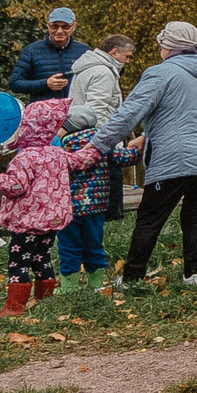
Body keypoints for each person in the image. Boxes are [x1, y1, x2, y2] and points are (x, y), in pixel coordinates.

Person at [95, 21, 197, 291]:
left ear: (168, 47)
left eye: (162, 43)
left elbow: (128, 113)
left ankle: (132, 278)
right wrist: (148, 135)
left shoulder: (160, 73)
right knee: (195, 217)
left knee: (149, 220)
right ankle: (193, 275)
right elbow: (188, 113)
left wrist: (97, 145)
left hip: (176, 159)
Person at [0, 96, 79, 315]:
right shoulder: (56, 153)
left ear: (29, 127)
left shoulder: (24, 158)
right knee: (42, 258)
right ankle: (44, 302)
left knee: (18, 262)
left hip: (26, 222)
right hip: (51, 221)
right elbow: (77, 162)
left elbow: (15, 187)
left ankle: (14, 306)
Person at [56, 102, 140, 291]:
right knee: (94, 244)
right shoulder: (103, 143)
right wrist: (137, 149)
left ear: (68, 126)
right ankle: (96, 284)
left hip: (67, 208)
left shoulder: (60, 147)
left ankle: (68, 287)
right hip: (96, 206)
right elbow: (126, 158)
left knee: (68, 247)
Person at [8, 9, 88, 100]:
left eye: (65, 27)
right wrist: (45, 84)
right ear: (48, 26)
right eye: (54, 26)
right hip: (42, 111)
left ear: (74, 26)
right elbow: (15, 83)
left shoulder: (84, 51)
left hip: (74, 111)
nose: (59, 31)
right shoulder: (31, 51)